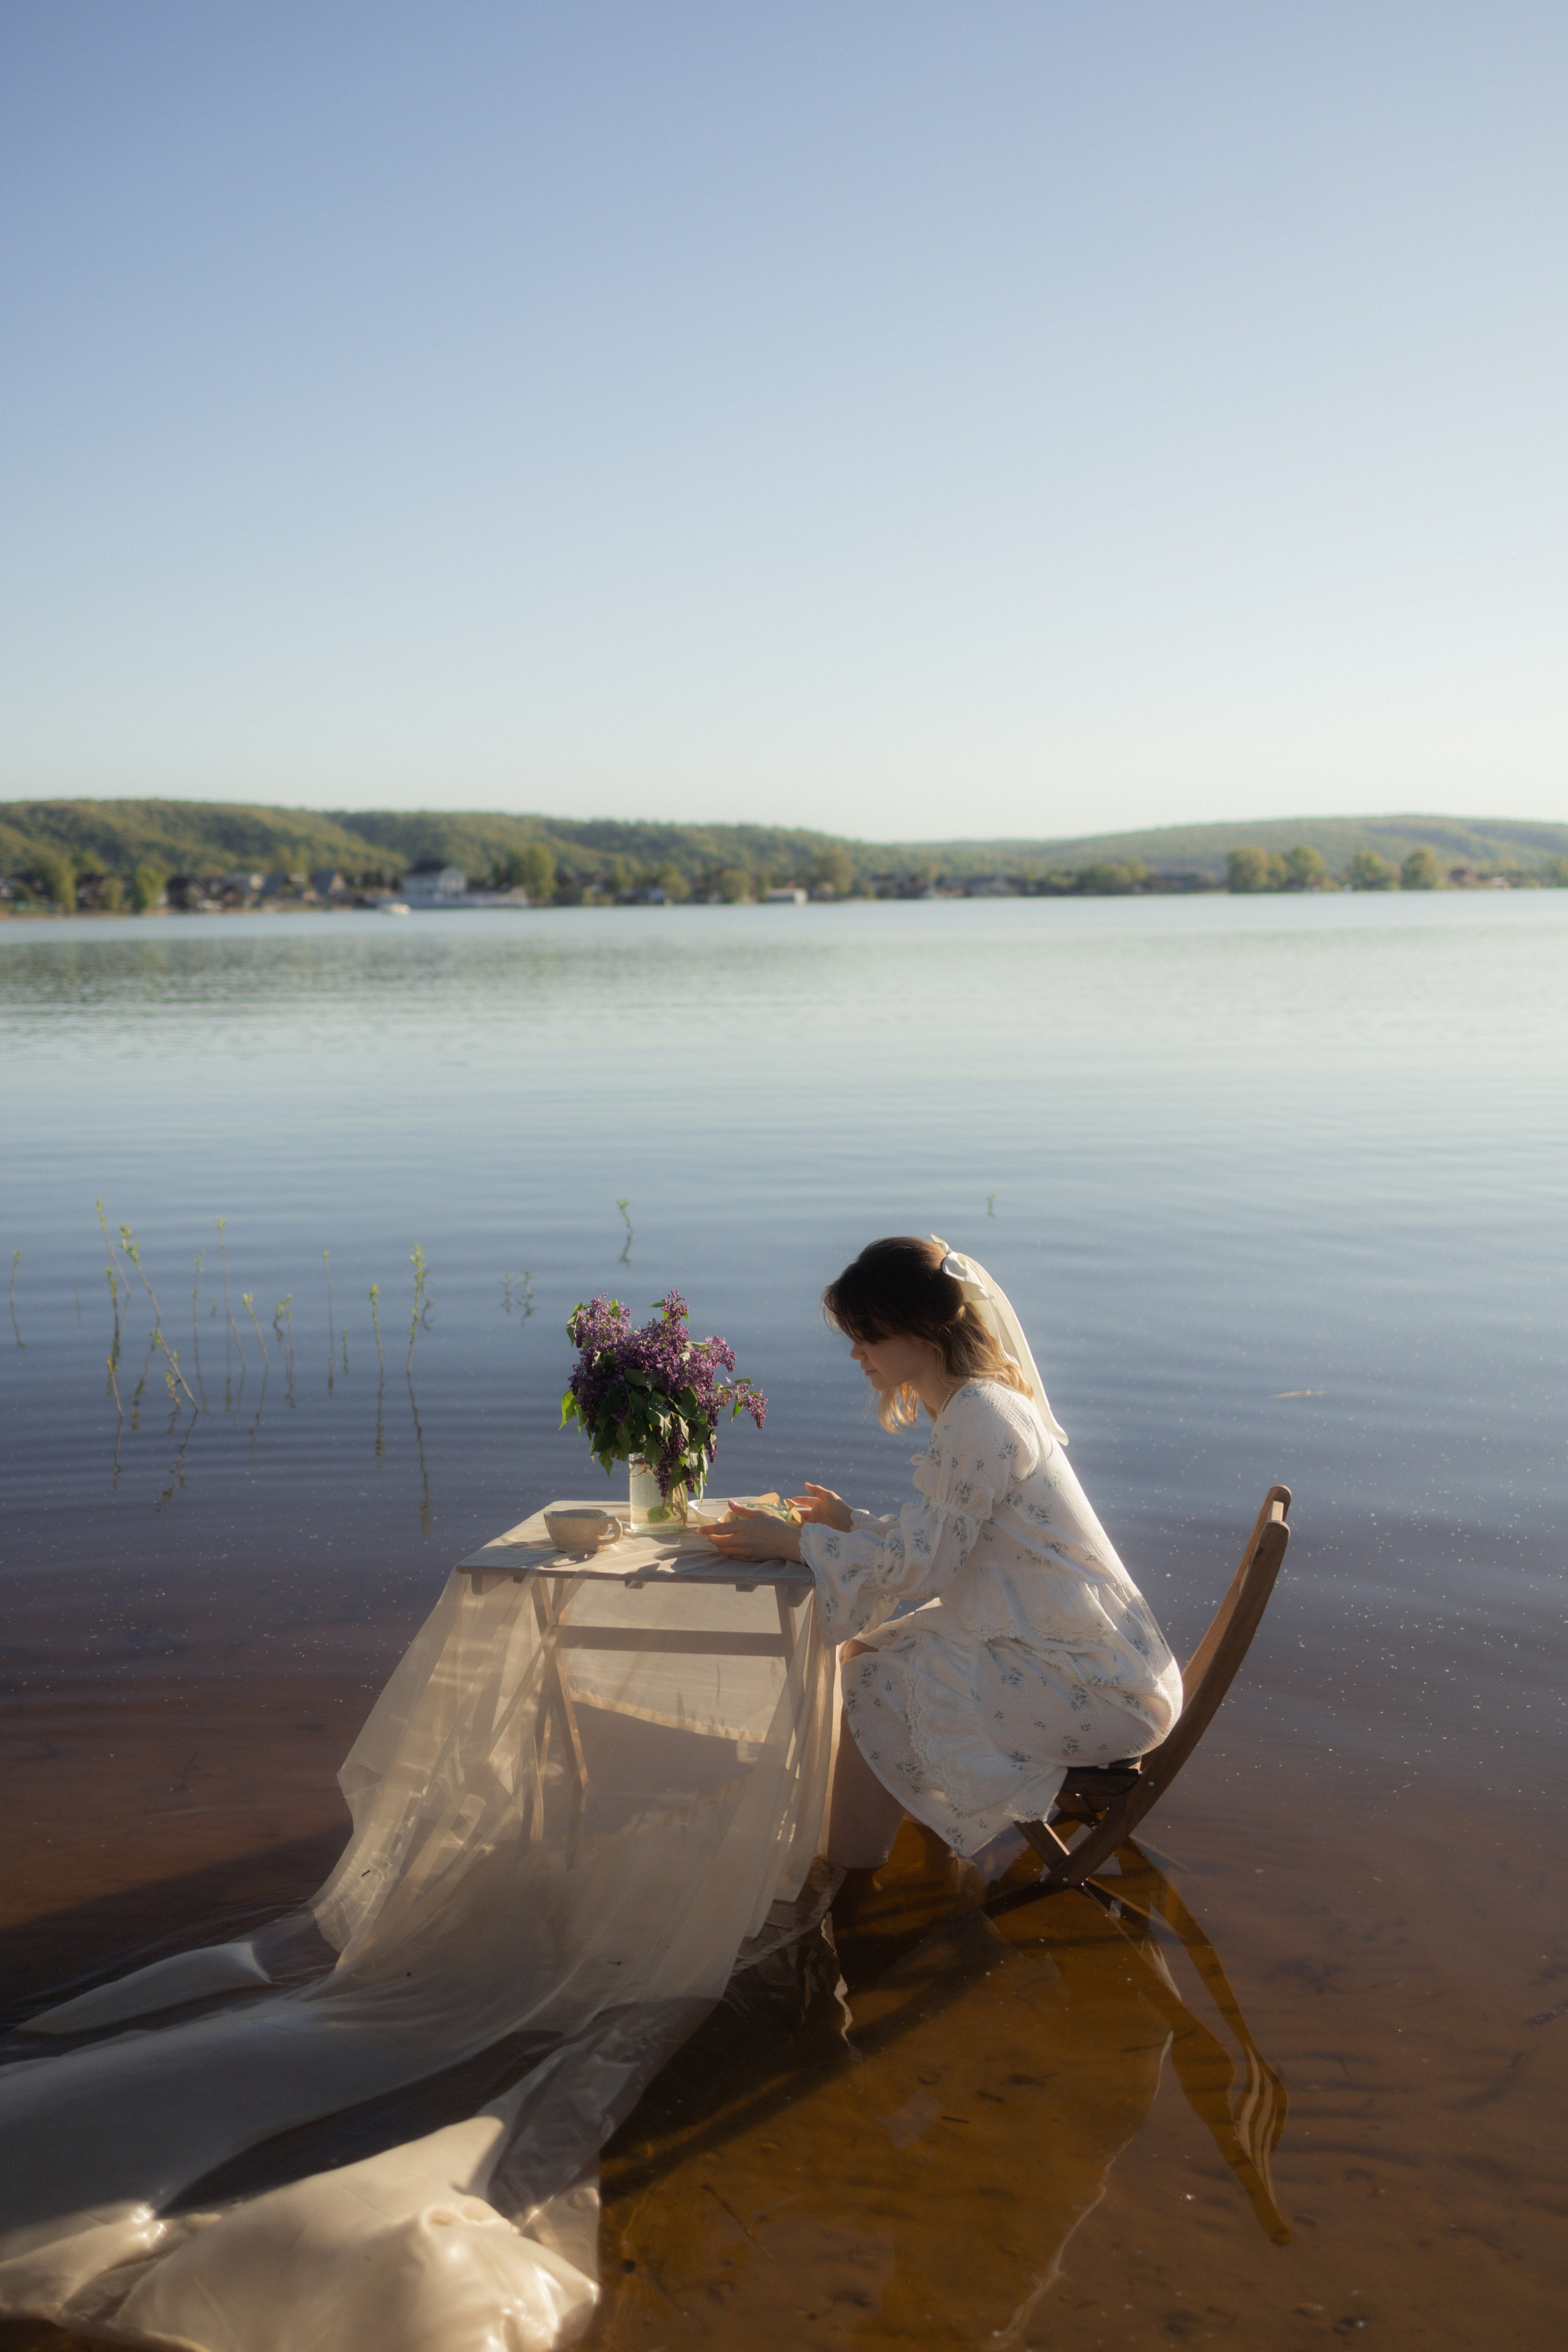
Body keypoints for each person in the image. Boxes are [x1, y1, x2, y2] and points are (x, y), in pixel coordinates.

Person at [704, 1235, 1183, 1872]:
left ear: (922, 1331)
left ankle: (848, 1871)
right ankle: (897, 1827)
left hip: (1104, 1691)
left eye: (868, 1336)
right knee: (867, 1651)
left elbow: (924, 1570)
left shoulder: (980, 1414)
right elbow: (941, 1543)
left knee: (873, 1681)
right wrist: (849, 1524)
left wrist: (797, 1544)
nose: (856, 1353)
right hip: (1076, 1651)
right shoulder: (971, 1405)